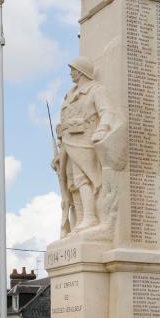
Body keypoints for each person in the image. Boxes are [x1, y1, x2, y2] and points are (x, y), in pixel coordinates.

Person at [53, 57, 114, 235]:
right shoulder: (70, 94)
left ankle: (90, 217)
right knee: (71, 182)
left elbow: (107, 112)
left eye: (73, 69)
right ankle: (80, 220)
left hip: (85, 140)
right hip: (67, 143)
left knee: (83, 178)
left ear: (81, 71)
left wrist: (102, 129)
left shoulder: (96, 90)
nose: (71, 72)